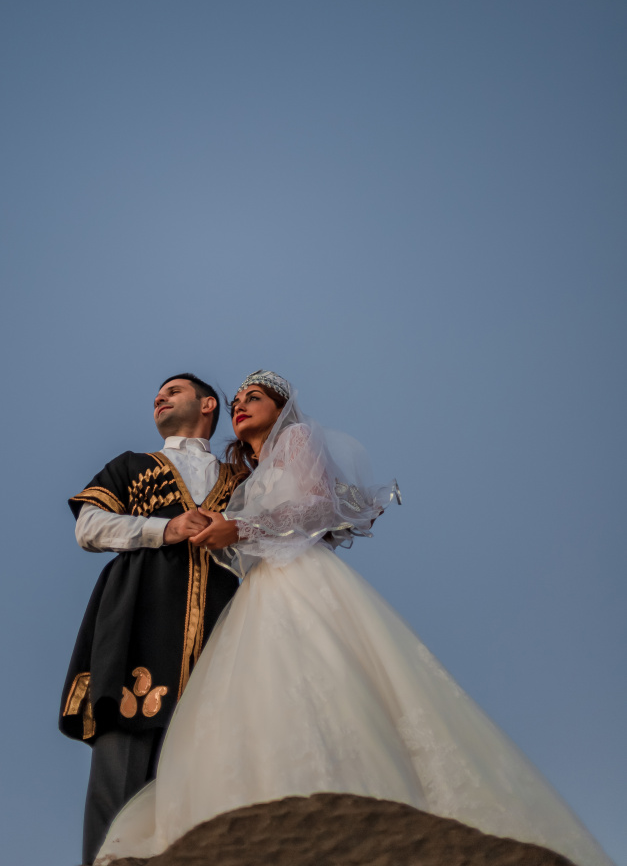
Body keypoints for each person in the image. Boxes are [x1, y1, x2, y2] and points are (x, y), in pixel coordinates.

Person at [96, 370, 615, 866]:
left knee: (323, 674)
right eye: (238, 401)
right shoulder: (244, 473)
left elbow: (316, 507)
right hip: (259, 589)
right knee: (262, 693)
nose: (241, 406)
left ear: (282, 408)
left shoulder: (297, 439)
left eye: (254, 397)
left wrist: (239, 527)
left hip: (301, 580)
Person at [59, 373, 242, 866]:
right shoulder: (132, 465)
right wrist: (166, 528)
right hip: (137, 626)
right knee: (120, 778)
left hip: (223, 633)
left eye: (173, 390)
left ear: (208, 404)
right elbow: (89, 527)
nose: (160, 397)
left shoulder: (242, 481)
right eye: (158, 394)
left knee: (209, 786)